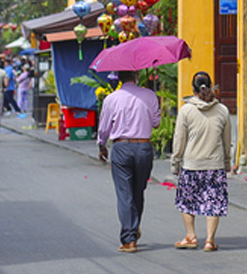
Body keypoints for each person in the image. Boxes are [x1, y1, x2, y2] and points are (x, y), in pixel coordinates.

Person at [97, 70, 160, 253]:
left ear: (119, 78)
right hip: (143, 147)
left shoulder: (111, 98)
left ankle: (129, 238)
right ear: (136, 75)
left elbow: (104, 128)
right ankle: (134, 227)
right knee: (138, 191)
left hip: (121, 147)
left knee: (125, 194)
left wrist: (102, 145)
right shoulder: (149, 95)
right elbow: (156, 122)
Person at [171, 71, 231, 252]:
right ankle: (210, 240)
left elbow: (179, 140)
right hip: (215, 165)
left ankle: (191, 236)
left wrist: (175, 162)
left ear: (193, 89)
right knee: (213, 202)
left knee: (187, 201)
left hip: (191, 165)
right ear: (211, 87)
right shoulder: (222, 110)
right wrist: (227, 162)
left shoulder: (186, 110)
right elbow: (227, 140)